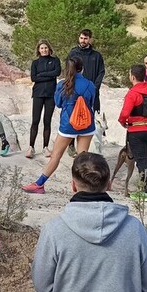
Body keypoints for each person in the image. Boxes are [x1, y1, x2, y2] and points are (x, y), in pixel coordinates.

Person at [31, 152, 147, 292]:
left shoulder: (54, 229)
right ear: (109, 185)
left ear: (73, 185)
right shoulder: (135, 229)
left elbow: (42, 287)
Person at [22, 56, 96, 194]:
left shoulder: (62, 84)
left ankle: (39, 184)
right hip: (87, 124)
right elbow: (91, 102)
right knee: (82, 157)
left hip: (68, 125)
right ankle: (82, 186)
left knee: (56, 155)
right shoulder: (90, 84)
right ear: (82, 68)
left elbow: (58, 103)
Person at [119, 64, 147, 202]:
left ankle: (144, 192)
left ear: (132, 77)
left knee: (141, 161)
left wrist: (122, 122)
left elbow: (125, 113)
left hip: (136, 131)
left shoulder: (133, 93)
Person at [27, 40, 61, 159]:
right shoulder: (35, 63)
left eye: (45, 48)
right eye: (41, 48)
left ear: (49, 49)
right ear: (38, 50)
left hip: (50, 94)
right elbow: (33, 77)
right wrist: (48, 75)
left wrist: (41, 75)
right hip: (38, 93)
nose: (44, 50)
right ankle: (31, 146)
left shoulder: (55, 60)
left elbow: (57, 72)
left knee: (47, 121)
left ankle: (45, 147)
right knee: (35, 120)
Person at [67, 29, 106, 113]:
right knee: (75, 118)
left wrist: (95, 87)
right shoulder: (73, 53)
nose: (83, 41)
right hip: (76, 91)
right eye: (81, 38)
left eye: (85, 38)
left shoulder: (96, 55)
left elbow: (101, 72)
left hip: (92, 90)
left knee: (93, 117)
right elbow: (68, 70)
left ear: (90, 39)